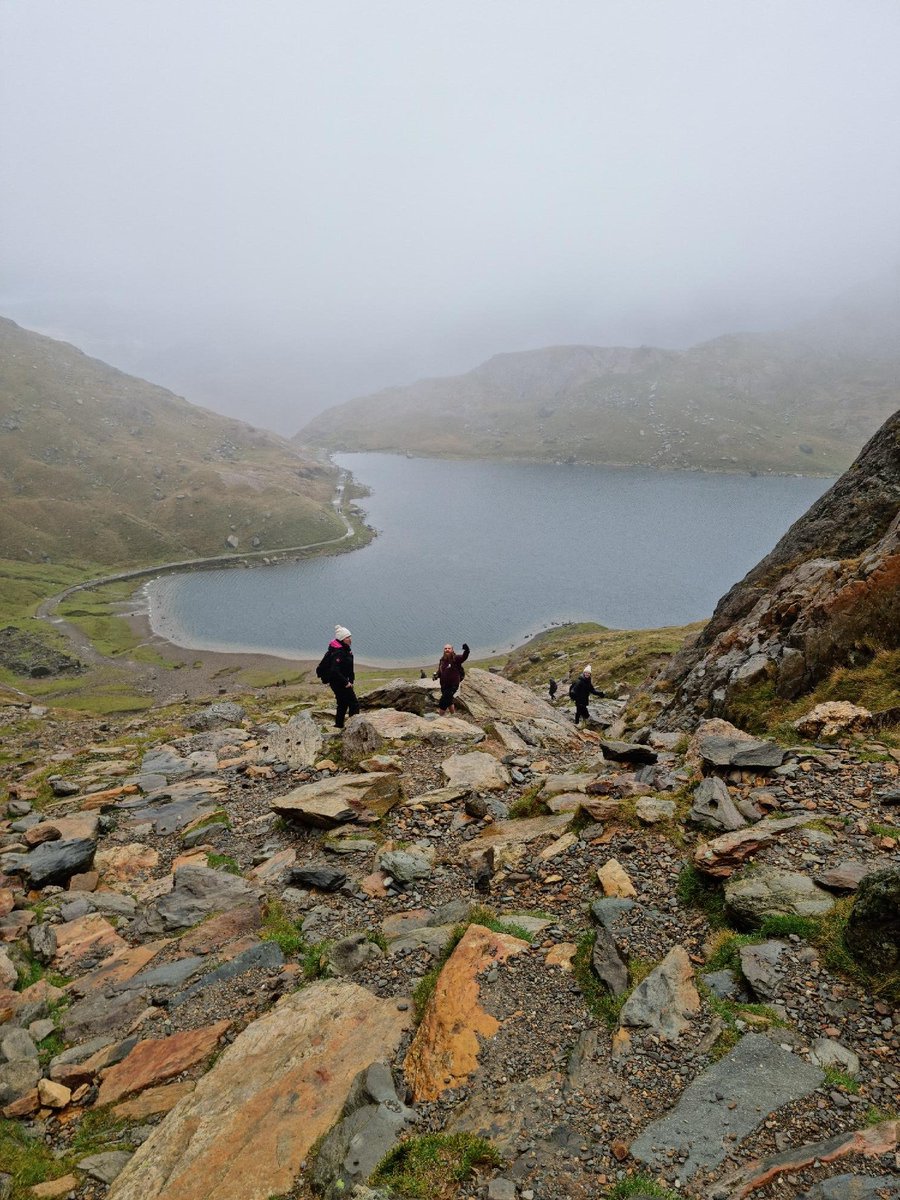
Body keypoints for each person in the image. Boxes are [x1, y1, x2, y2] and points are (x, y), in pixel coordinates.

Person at [320, 624, 359, 729]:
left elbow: (349, 668)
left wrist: (351, 680)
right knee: (354, 704)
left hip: (342, 682)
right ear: (342, 639)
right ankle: (353, 727)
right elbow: (334, 670)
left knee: (342, 703)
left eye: (350, 637)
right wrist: (346, 682)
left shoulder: (346, 650)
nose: (350, 639)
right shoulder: (339, 652)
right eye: (347, 637)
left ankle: (339, 725)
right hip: (339, 683)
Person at [433, 641, 470, 714]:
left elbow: (464, 657)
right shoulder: (442, 660)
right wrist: (436, 675)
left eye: (449, 648)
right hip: (444, 685)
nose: (447, 650)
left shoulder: (456, 658)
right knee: (449, 701)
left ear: (452, 650)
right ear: (444, 650)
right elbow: (440, 670)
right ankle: (453, 715)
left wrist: (467, 650)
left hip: (453, 686)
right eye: (445, 648)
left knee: (443, 702)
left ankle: (440, 718)